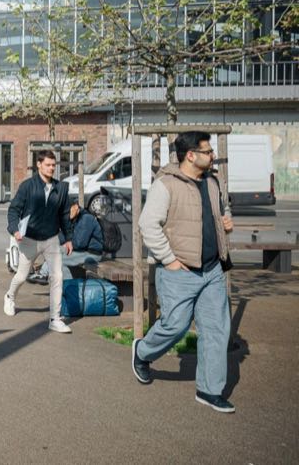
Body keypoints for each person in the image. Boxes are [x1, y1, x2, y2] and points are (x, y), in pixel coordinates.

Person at [132, 131, 236, 413]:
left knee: (216, 330)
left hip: (213, 269)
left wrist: (226, 222)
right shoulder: (166, 185)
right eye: (207, 151)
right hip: (180, 271)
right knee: (175, 326)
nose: (212, 155)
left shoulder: (213, 182)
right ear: (191, 155)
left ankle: (209, 390)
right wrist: (169, 260)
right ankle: (142, 352)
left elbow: (221, 210)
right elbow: (148, 225)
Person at [4, 150, 74, 333]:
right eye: (48, 165)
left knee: (57, 276)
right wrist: (15, 229)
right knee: (22, 276)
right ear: (39, 165)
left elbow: (65, 215)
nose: (52, 168)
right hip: (29, 238)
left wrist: (68, 239)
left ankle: (55, 319)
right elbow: (14, 210)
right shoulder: (27, 186)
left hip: (51, 238)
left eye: (54, 165)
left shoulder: (61, 188)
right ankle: (10, 296)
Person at [31, 201, 104, 283]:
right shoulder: (74, 220)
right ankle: (43, 274)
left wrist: (67, 243)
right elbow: (63, 236)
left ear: (76, 207)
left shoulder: (86, 219)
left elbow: (79, 243)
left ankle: (68, 287)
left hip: (91, 254)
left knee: (60, 260)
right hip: (80, 251)